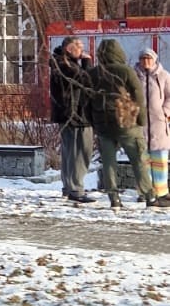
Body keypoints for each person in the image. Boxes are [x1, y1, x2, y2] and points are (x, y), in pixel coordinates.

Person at [89, 39, 154, 210]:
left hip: (103, 125)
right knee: (138, 159)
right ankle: (149, 195)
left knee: (108, 163)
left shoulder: (94, 73)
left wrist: (93, 122)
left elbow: (87, 100)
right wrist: (141, 120)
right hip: (127, 123)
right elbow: (138, 96)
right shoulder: (126, 71)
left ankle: (114, 198)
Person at [49, 35, 94, 202]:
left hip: (71, 114)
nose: (82, 50)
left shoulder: (62, 63)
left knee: (70, 152)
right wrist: (87, 62)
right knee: (80, 152)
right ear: (69, 48)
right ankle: (76, 189)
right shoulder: (65, 65)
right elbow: (86, 80)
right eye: (79, 46)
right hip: (75, 115)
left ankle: (69, 187)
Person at [136, 47, 170, 206]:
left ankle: (161, 192)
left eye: (149, 58)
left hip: (158, 124)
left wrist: (165, 111)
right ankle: (145, 192)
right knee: (142, 160)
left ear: (154, 59)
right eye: (143, 58)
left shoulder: (164, 76)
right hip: (140, 124)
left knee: (160, 160)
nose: (146, 61)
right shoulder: (134, 75)